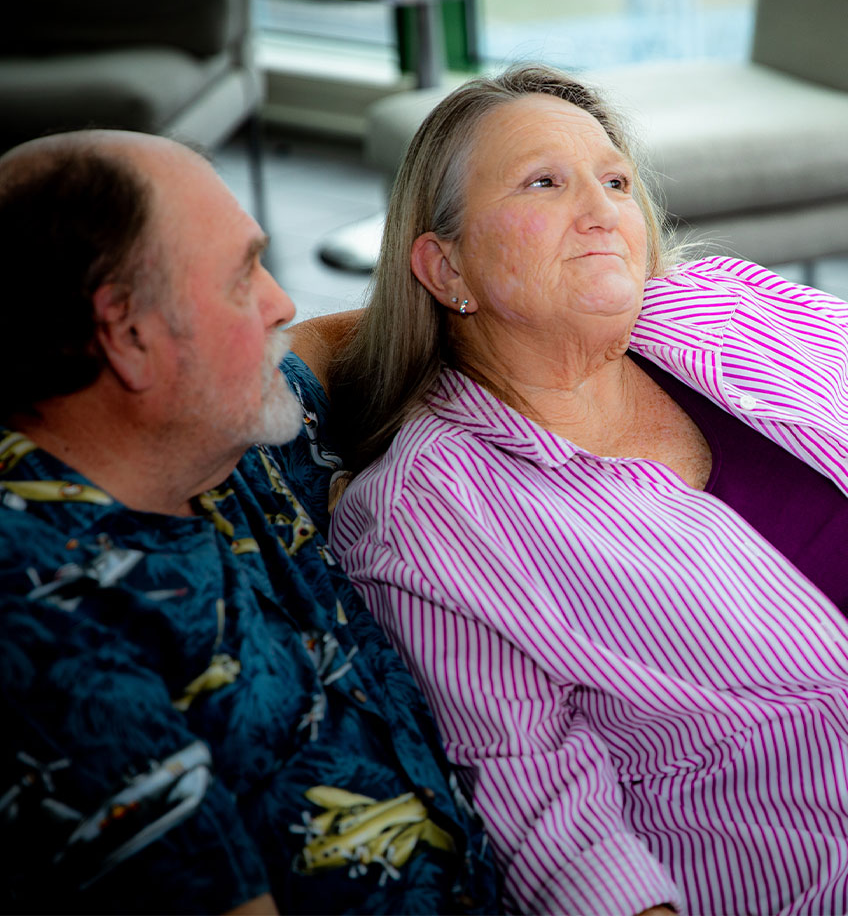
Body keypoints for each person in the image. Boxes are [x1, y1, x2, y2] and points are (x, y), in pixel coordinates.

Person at [318, 65, 848, 915]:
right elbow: (547, 814)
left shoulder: (722, 314)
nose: (601, 211)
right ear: (445, 269)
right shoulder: (432, 513)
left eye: (615, 180)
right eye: (544, 182)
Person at [0, 130, 499, 914]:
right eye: (243, 277)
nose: (282, 301)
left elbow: (328, 343)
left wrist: (522, 290)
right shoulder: (47, 631)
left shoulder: (212, 427)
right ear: (130, 337)